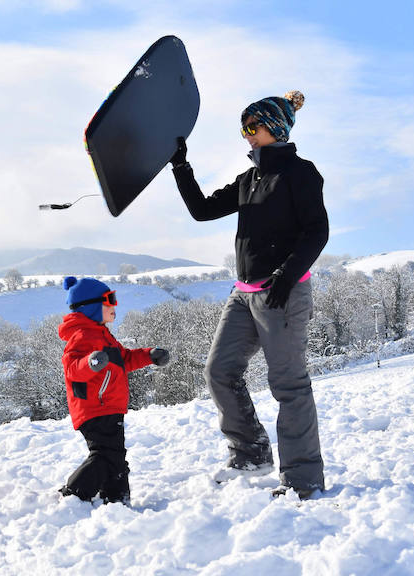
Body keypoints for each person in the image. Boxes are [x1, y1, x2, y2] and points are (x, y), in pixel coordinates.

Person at [169, 90, 327, 499]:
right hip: (244, 295)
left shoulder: (300, 173)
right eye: (243, 128)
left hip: (283, 295)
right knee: (219, 371)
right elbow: (202, 210)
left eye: (250, 128)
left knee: (289, 385)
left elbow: (317, 231)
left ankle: (302, 480)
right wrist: (180, 166)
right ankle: (251, 453)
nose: (245, 136)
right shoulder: (249, 179)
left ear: (272, 129)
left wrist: (287, 276)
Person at [58, 276, 169, 503]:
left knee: (115, 457)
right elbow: (71, 368)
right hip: (94, 408)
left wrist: (148, 356)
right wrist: (90, 362)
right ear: (90, 306)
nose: (114, 305)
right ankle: (73, 494)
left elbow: (124, 359)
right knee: (104, 455)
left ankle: (116, 497)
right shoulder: (82, 335)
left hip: (108, 406)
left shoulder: (102, 334)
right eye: (109, 300)